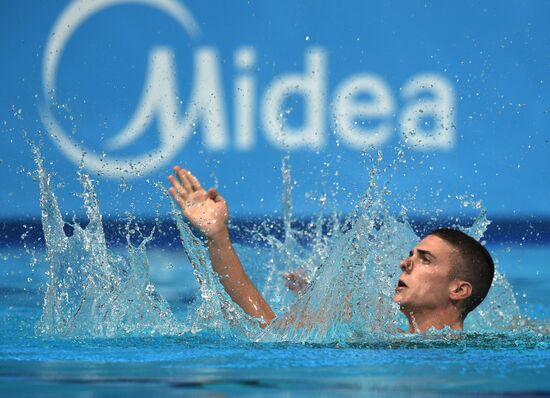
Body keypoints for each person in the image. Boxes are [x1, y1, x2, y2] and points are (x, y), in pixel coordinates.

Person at [168, 166, 495, 333]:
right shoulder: (379, 337)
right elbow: (269, 332)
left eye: (425, 260)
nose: (405, 263)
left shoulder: (473, 356)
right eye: (411, 255)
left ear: (459, 289)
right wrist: (219, 237)